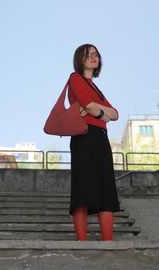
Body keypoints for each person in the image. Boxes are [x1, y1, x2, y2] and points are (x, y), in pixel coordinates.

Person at [68, 43, 120, 241]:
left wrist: (99, 112)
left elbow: (114, 114)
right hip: (83, 138)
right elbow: (89, 106)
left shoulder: (96, 88)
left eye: (96, 54)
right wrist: (101, 113)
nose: (93, 57)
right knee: (83, 189)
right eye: (88, 54)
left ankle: (108, 241)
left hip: (101, 139)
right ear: (79, 59)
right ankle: (82, 242)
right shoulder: (75, 78)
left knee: (106, 189)